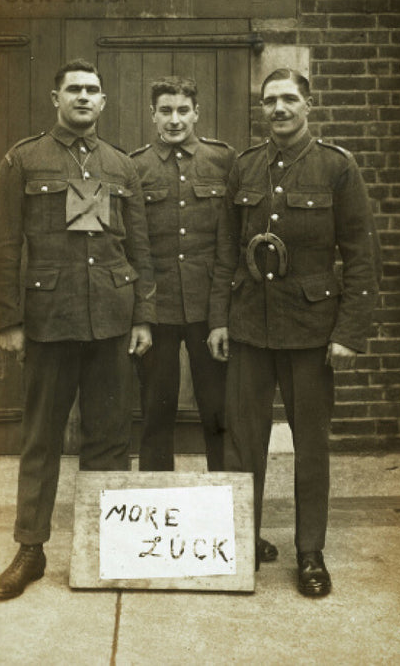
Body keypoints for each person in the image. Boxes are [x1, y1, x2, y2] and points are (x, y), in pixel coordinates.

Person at [0, 59, 156, 600]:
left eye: (93, 91)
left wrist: (143, 316)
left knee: (108, 438)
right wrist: (10, 320)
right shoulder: (23, 159)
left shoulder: (121, 166)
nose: (84, 98)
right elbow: (2, 247)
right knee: (40, 438)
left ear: (104, 102)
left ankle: (105, 546)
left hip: (109, 319)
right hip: (48, 322)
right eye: (74, 89)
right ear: (55, 96)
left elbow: (140, 248)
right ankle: (31, 548)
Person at [208, 68, 381, 592]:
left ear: (309, 104)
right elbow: (225, 251)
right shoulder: (244, 166)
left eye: (288, 99)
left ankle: (310, 554)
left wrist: (349, 331)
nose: (278, 108)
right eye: (269, 101)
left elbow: (360, 255)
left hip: (311, 331)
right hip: (248, 328)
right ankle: (242, 543)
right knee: (243, 443)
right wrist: (219, 318)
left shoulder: (336, 166)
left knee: (310, 445)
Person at [130, 75, 278, 566]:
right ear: (152, 115)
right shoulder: (136, 167)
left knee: (221, 418)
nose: (174, 119)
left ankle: (231, 529)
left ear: (197, 113)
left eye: (183, 110)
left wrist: (220, 320)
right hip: (157, 315)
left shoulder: (223, 161)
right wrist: (144, 317)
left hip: (211, 315)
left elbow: (229, 246)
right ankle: (153, 537)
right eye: (165, 110)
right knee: (155, 416)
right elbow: (137, 250)